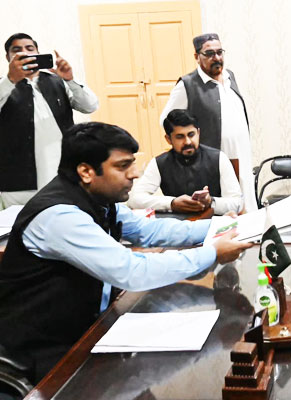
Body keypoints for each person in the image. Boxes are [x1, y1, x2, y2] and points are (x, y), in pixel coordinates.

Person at [0, 122, 252, 384]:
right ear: (86, 171)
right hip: (41, 352)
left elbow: (150, 231)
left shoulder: (98, 199)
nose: (134, 174)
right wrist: (212, 253)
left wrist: (224, 225)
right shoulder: (59, 216)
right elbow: (133, 271)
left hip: (89, 330)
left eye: (133, 163)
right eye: (122, 166)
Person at [0, 33, 98, 208]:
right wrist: (11, 80)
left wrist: (70, 79)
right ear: (8, 57)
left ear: (38, 52)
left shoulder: (57, 82)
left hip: (62, 174)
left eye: (30, 49)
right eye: (17, 50)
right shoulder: (3, 87)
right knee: (22, 228)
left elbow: (89, 106)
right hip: (19, 182)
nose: (25, 53)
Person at [160, 33, 255, 213]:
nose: (216, 57)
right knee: (225, 211)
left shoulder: (229, 76)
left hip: (241, 155)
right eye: (209, 53)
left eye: (219, 52)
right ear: (197, 57)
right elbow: (166, 120)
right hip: (214, 160)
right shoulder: (187, 85)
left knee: (246, 204)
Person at [128, 109, 243, 215]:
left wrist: (211, 202)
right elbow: (134, 200)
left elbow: (237, 203)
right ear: (168, 139)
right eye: (180, 137)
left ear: (198, 133)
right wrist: (172, 203)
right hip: (178, 226)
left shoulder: (219, 158)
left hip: (215, 223)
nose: (187, 141)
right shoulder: (159, 163)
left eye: (191, 135)